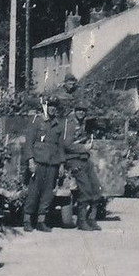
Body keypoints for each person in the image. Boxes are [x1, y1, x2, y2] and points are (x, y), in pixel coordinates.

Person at [22, 95, 65, 232]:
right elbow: (28, 143)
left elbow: (60, 146)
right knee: (33, 192)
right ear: (45, 106)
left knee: (47, 194)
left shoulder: (58, 125)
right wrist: (30, 161)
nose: (52, 109)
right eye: (50, 106)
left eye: (54, 107)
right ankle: (27, 220)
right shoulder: (37, 121)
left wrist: (62, 164)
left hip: (52, 164)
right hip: (38, 162)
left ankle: (41, 221)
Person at [63, 102, 102, 231]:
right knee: (85, 190)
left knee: (96, 188)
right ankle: (82, 221)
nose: (81, 112)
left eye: (83, 110)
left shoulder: (84, 124)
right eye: (78, 110)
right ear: (75, 110)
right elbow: (67, 145)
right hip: (74, 160)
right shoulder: (70, 124)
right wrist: (83, 147)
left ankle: (92, 219)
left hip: (85, 159)